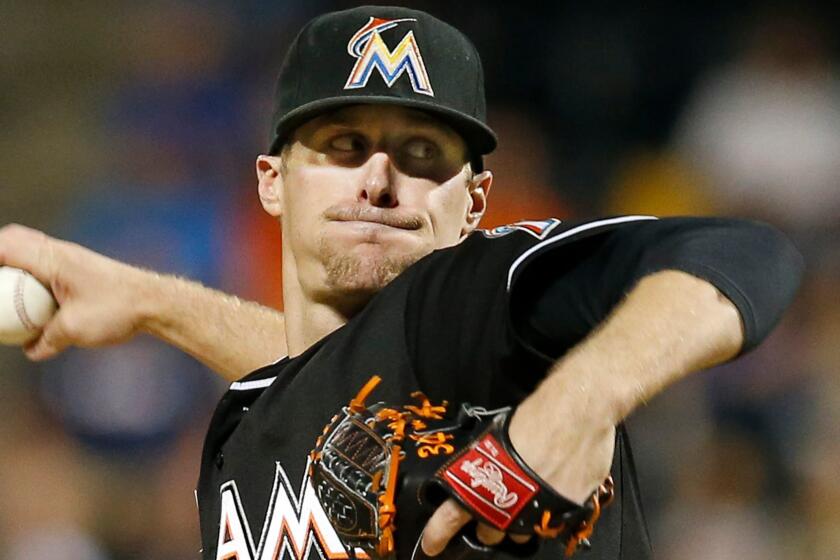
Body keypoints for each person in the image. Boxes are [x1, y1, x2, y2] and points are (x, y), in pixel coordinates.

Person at [0, 6, 803, 559]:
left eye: (423, 155)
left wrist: (581, 399)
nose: (380, 180)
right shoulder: (245, 426)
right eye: (344, 145)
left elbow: (741, 256)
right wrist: (151, 300)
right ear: (272, 182)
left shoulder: (475, 302)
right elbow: (322, 379)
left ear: (473, 204)